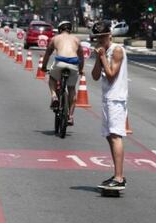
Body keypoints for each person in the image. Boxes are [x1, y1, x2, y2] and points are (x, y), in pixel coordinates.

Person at [91, 21, 128, 190]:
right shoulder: (102, 51)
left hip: (116, 99)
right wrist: (99, 57)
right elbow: (95, 76)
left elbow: (112, 75)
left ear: (109, 36)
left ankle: (119, 177)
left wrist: (103, 56)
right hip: (107, 98)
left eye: (102, 38)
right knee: (108, 135)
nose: (100, 41)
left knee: (115, 135)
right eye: (97, 38)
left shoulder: (117, 50)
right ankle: (117, 174)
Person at [41, 21, 84, 126]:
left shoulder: (55, 39)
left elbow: (47, 54)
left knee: (52, 78)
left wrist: (43, 67)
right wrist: (81, 69)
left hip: (60, 63)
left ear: (60, 30)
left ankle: (54, 96)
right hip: (73, 64)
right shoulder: (76, 40)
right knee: (72, 88)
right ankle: (70, 116)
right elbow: (81, 57)